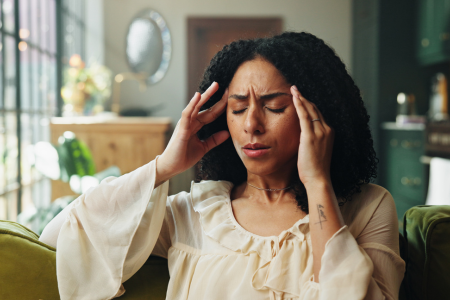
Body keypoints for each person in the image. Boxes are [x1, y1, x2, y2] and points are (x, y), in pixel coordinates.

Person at [40, 32, 405, 300]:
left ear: (318, 114)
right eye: (238, 108)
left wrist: (318, 183)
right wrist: (164, 166)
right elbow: (59, 234)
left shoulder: (368, 208)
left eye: (274, 106)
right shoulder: (196, 213)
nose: (252, 124)